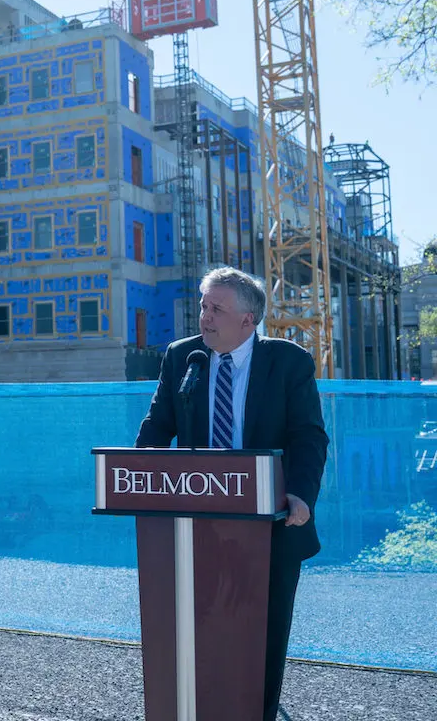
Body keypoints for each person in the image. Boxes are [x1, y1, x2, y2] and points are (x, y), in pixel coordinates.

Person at [135, 266, 328, 721]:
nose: (204, 316)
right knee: (195, 627)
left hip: (271, 524)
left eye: (216, 308)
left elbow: (308, 437)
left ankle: (257, 712)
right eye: (203, 305)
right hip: (192, 526)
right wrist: (138, 475)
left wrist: (300, 495)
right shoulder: (183, 357)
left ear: (248, 321)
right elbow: (157, 429)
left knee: (261, 634)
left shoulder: (288, 362)